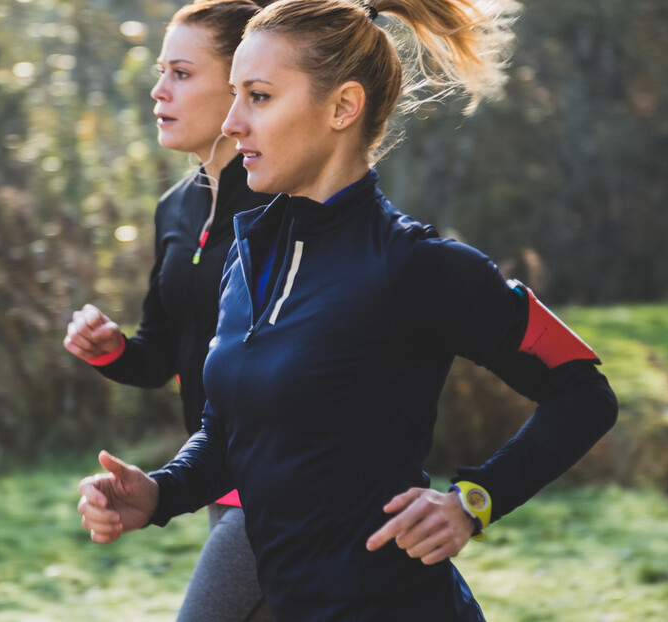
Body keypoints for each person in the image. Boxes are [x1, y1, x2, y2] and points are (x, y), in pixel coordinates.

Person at [77, 0, 618, 619]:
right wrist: (158, 493)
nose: (231, 123)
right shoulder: (248, 258)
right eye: (232, 96)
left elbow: (584, 391)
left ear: (343, 107)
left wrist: (476, 499)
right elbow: (234, 434)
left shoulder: (415, 266)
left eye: (257, 96)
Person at [63, 1, 275, 620]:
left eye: (181, 74)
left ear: (242, 87)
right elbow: (163, 355)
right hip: (212, 475)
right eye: (161, 72)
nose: (158, 90)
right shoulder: (176, 208)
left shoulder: (282, 209)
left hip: (276, 484)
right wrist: (112, 350)